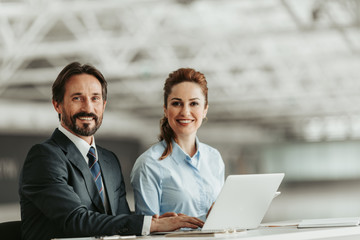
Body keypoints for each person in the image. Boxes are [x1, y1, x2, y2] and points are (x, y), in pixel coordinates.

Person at [19, 62, 204, 240]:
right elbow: (75, 220)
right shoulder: (45, 157)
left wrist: (153, 222)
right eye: (77, 98)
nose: (88, 108)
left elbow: (117, 218)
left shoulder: (108, 160)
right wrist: (149, 225)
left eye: (95, 98)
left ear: (104, 105)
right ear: (57, 104)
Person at [130, 68, 225, 221]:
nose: (185, 112)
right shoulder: (149, 164)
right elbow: (147, 231)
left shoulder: (214, 158)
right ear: (166, 110)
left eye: (194, 103)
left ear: (205, 109)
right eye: (176, 103)